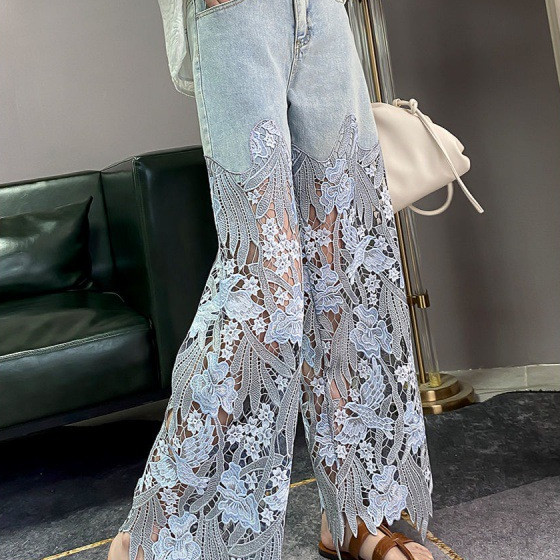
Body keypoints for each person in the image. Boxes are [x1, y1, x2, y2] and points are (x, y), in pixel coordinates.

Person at [108, 0, 434, 559]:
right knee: (263, 286)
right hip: (236, 11)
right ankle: (154, 536)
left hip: (322, 10)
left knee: (346, 264)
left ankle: (356, 514)